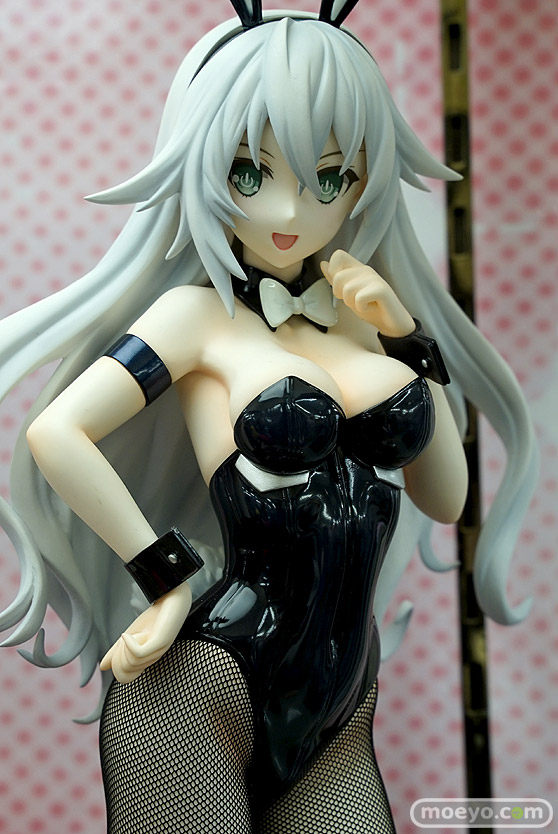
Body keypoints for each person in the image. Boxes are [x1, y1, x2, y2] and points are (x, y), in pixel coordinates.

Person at [0, 4, 537, 833]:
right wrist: (165, 578)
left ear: (364, 180)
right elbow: (56, 433)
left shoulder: (363, 321)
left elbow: (447, 497)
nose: (290, 211)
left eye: (329, 178)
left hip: (341, 706)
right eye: (251, 173)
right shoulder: (195, 319)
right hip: (202, 685)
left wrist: (406, 340)